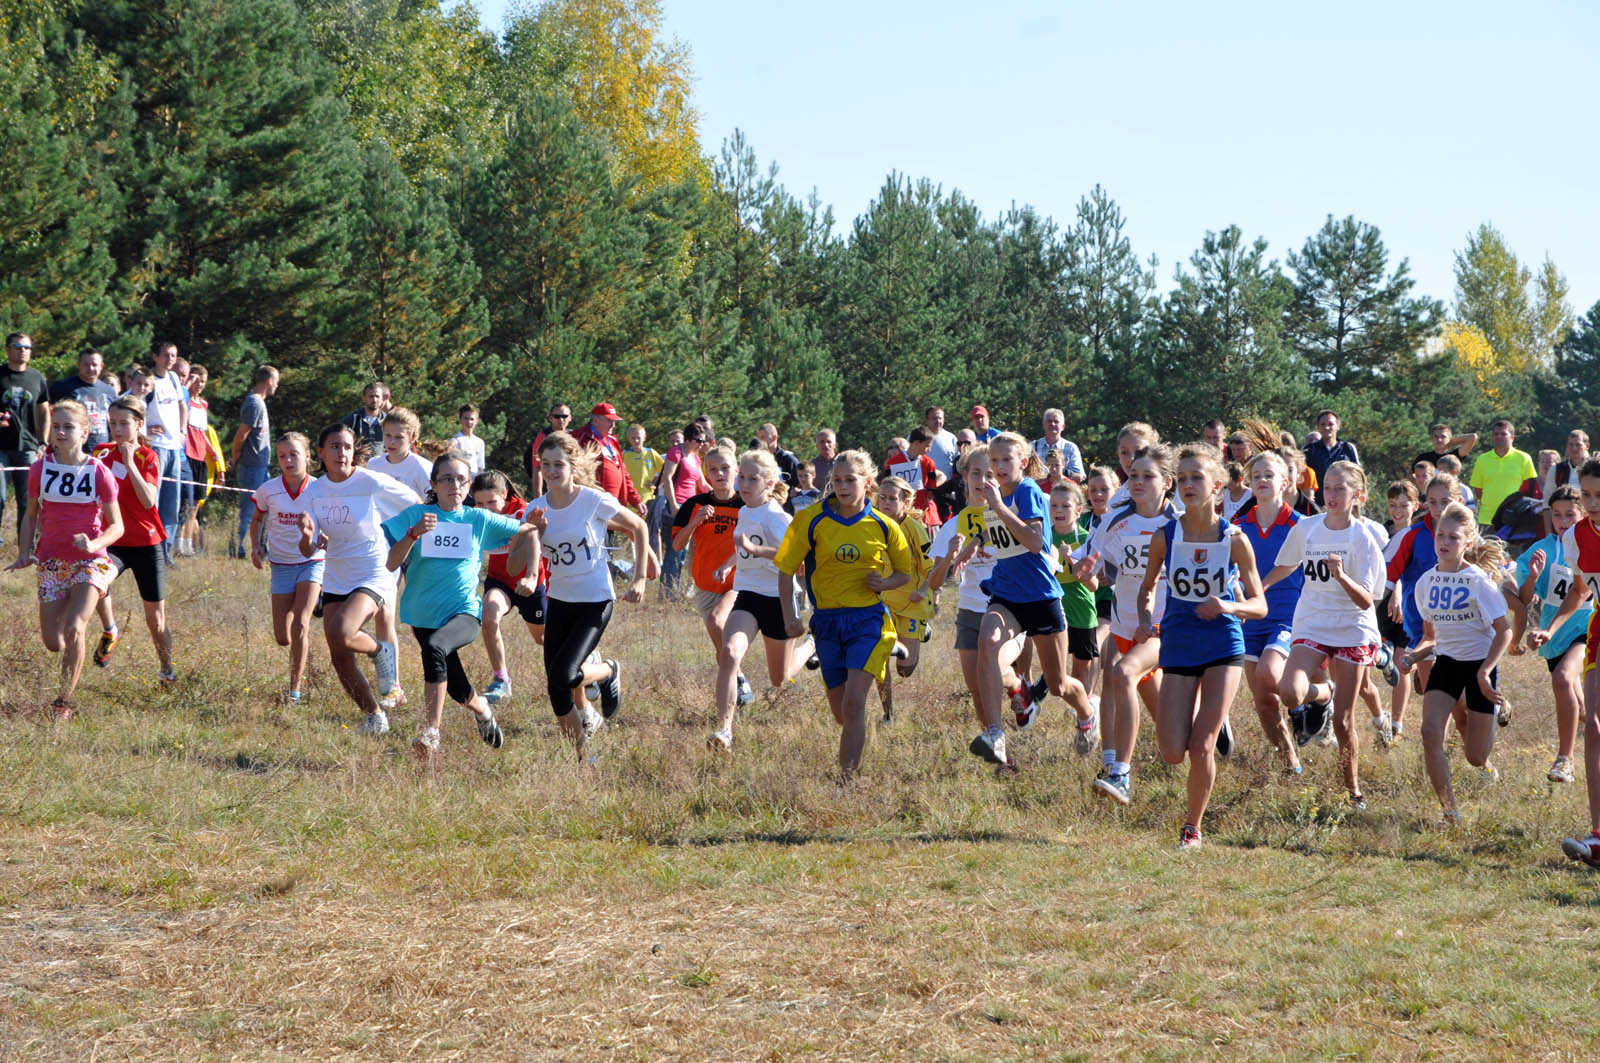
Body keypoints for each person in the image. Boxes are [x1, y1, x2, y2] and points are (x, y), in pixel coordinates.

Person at [1138, 443, 1267, 849]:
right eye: (1183, 478)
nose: (1188, 485)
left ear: (1217, 485)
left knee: (1201, 746)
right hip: (1178, 642)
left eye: (1197, 477)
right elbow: (1147, 588)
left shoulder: (1234, 539)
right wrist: (1144, 619)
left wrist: (1228, 605)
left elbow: (1260, 605)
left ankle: (1192, 827)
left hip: (1222, 642)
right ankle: (1212, 715)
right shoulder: (1166, 535)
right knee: (1172, 751)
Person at [382, 451, 536, 758]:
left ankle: (431, 732)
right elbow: (391, 563)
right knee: (455, 685)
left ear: (469, 485)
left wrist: (531, 573)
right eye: (447, 479)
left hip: (464, 612)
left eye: (461, 479)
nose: (455, 485)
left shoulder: (478, 518)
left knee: (435, 649)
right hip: (423, 613)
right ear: (434, 484)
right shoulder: (416, 516)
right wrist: (413, 534)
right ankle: (482, 709)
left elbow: (528, 529)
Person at [774, 449, 914, 780]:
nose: (842, 486)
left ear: (868, 483)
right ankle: (858, 735)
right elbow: (785, 570)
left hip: (867, 620)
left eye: (850, 480)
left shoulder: (884, 526)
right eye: (837, 480)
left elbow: (904, 573)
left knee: (853, 704)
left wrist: (884, 582)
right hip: (826, 623)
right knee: (842, 713)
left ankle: (845, 782)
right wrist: (790, 617)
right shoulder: (811, 520)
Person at [519, 432, 653, 762]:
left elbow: (639, 527)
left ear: (573, 465)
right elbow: (520, 556)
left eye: (558, 464)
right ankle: (584, 757)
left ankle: (607, 671)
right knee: (555, 686)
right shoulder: (535, 509)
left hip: (595, 600)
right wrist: (532, 534)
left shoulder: (592, 500)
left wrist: (639, 579)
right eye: (546, 464)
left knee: (564, 674)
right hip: (559, 600)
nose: (551, 471)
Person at [1262, 461, 1387, 809]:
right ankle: (1324, 693)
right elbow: (1288, 563)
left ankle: (1353, 790)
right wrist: (1262, 586)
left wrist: (1341, 576)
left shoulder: (1362, 538)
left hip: (1352, 626)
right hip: (1313, 621)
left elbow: (1366, 600)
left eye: (1339, 489)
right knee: (1290, 693)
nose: (1331, 495)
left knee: (1344, 722)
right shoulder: (1307, 528)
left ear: (1357, 495)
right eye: (1327, 488)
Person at [971, 432, 1097, 767]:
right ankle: (995, 735)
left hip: (1041, 597)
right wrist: (980, 540)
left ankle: (1087, 712)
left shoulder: (1027, 490)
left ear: (1023, 462)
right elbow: (1004, 535)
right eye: (993, 461)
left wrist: (999, 507)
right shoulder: (995, 494)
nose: (998, 466)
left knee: (1058, 686)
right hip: (1006, 594)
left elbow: (1034, 540)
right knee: (987, 643)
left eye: (1005, 460)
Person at [297, 424, 422, 735]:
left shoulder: (369, 481)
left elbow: (414, 503)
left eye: (347, 447)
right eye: (335, 446)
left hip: (374, 570)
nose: (342, 453)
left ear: (354, 452)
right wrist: (308, 537)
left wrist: (402, 536)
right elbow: (307, 549)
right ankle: (375, 716)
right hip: (336, 575)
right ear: (321, 452)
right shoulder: (313, 491)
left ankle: (380, 652)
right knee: (339, 654)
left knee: (342, 631)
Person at [3, 400, 122, 716]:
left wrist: (94, 543)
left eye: (68, 426)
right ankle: (89, 600)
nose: (60, 432)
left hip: (90, 560)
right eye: (56, 426)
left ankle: (63, 703)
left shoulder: (99, 472)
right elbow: (31, 515)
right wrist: (25, 552)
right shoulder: (40, 469)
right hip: (52, 561)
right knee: (54, 642)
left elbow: (117, 526)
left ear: (85, 432)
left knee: (74, 628)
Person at [1076, 444, 1178, 803]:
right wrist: (1086, 570)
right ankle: (1198, 734)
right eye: (1133, 475)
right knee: (1172, 736)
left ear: (1167, 482)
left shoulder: (1180, 523)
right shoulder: (1115, 520)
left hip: (1165, 624)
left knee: (1121, 674)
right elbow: (1093, 564)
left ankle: (1120, 774)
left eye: (1148, 476)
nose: (1138, 482)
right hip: (1125, 625)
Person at [1400, 502, 1511, 825]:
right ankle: (1450, 813)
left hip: (1480, 666)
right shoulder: (1425, 583)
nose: (1445, 542)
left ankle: (1500, 706)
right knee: (1429, 732)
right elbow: (1430, 637)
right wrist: (1414, 656)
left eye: (1453, 537)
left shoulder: (1478, 582)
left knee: (1475, 757)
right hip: (1447, 663)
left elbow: (1504, 631)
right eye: (1441, 535)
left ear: (1468, 543)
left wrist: (1485, 672)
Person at [706, 449, 814, 752]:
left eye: (752, 479)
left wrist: (755, 551)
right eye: (742, 476)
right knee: (729, 653)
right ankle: (724, 731)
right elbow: (743, 546)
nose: (744, 483)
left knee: (780, 678)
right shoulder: (744, 512)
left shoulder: (778, 517)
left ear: (769, 483)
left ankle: (811, 645)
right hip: (748, 595)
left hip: (778, 599)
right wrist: (730, 563)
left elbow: (795, 560)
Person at [1526, 457, 1600, 868]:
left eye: (1599, 495)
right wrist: (1551, 629)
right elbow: (1580, 591)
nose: (1592, 503)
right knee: (1595, 725)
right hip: (1597, 631)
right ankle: (1598, 836)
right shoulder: (1576, 537)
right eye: (1586, 494)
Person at [90, 397, 173, 682]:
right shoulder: (101, 452)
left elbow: (148, 500)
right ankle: (110, 629)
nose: (117, 429)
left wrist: (129, 461)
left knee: (155, 620)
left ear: (139, 424)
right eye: (112, 423)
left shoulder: (149, 457)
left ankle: (167, 671)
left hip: (147, 544)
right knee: (96, 582)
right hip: (113, 541)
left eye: (123, 423)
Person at [1236, 451, 1308, 775]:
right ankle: (1290, 762)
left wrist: (1260, 586)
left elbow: (1303, 564)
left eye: (1269, 475)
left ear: (1285, 482)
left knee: (1269, 673)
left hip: (1287, 615)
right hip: (1250, 619)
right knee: (1264, 702)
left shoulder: (1300, 524)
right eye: (1256, 476)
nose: (1262, 480)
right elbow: (1229, 570)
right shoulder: (1239, 526)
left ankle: (1318, 694)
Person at [1515, 483, 1589, 785]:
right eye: (1557, 515)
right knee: (1583, 710)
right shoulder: (1542, 549)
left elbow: (1581, 593)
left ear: (1583, 514)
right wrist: (1532, 578)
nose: (1563, 521)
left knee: (1562, 678)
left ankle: (1564, 760)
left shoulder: (1590, 543)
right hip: (1554, 633)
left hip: (1587, 625)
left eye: (1570, 514)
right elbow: (1524, 597)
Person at [248, 432, 324, 704]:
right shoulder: (268, 489)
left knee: (301, 625)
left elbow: (331, 520)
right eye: (282, 456)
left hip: (312, 561)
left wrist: (324, 537)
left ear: (307, 456)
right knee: (283, 637)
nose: (288, 460)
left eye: (294, 454)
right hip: (281, 564)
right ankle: (310, 610)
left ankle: (295, 692)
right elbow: (257, 519)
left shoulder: (320, 488)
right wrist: (256, 546)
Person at [672, 445, 750, 702]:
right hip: (706, 586)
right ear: (706, 474)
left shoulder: (747, 504)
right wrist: (696, 521)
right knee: (722, 647)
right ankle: (738, 688)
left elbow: (754, 543)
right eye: (713, 469)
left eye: (725, 468)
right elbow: (677, 545)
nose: (720, 474)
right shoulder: (694, 504)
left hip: (738, 582)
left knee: (716, 623)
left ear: (736, 470)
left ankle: (738, 680)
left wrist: (729, 565)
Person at [471, 469, 544, 705]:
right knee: (489, 616)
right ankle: (501, 680)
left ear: (504, 494)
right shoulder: (475, 515)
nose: (486, 509)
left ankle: (588, 660)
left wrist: (531, 577)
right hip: (500, 581)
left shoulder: (523, 511)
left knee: (544, 640)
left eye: (492, 502)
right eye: (480, 503)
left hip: (530, 584)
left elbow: (533, 537)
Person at [871, 476, 932, 725]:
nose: (885, 503)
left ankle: (922, 630)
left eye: (892, 499)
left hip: (911, 602)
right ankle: (888, 714)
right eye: (882, 498)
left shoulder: (914, 529)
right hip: (881, 603)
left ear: (905, 503)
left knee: (905, 669)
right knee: (879, 656)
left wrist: (924, 591)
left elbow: (933, 567)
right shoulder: (872, 524)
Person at [1, 332, 51, 546]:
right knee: (0, 497)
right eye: (18, 346)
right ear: (7, 349)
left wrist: (44, 442)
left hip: (28, 446)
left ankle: (27, 545)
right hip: (0, 446)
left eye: (27, 347)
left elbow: (45, 411)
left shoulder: (37, 378)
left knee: (28, 499)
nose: (23, 350)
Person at [144, 342, 189, 562]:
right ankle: (150, 549)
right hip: (157, 447)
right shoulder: (148, 380)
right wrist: (144, 430)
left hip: (174, 447)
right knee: (154, 501)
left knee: (173, 503)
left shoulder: (173, 378)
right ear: (155, 357)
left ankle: (166, 552)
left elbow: (182, 405)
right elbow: (131, 404)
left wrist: (182, 431)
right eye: (165, 355)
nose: (170, 359)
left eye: (173, 355)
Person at [231, 364, 279, 559]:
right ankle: (237, 549)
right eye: (276, 381)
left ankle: (261, 547)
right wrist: (235, 455)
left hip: (260, 466)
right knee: (250, 510)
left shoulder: (258, 402)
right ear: (269, 381)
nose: (277, 385)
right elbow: (242, 434)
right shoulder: (254, 403)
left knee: (264, 509)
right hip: (251, 467)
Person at [657, 423, 709, 594]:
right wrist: (673, 505)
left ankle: (672, 592)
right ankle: (667, 593)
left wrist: (722, 496)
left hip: (690, 508)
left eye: (703, 441)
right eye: (699, 440)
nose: (702, 444)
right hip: (676, 506)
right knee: (674, 551)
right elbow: (667, 478)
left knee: (682, 554)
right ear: (688, 439)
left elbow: (702, 484)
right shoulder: (676, 452)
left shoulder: (695, 457)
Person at [177, 363, 223, 557]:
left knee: (196, 503)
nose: (199, 384)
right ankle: (179, 543)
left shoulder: (203, 404)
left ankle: (188, 544)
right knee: (185, 502)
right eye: (196, 380)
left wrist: (211, 451)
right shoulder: (184, 400)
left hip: (201, 456)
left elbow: (201, 431)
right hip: (187, 454)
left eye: (203, 381)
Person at [573, 402, 644, 514]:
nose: (613, 425)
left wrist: (635, 500)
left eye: (614, 422)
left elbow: (623, 472)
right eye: (609, 421)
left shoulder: (612, 440)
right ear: (595, 421)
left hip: (613, 505)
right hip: (591, 507)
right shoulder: (580, 438)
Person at [1470, 419, 1537, 534]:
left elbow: (1531, 488)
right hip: (1487, 519)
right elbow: (1478, 489)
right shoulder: (1482, 459)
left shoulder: (1524, 458)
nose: (1499, 437)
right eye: (1496, 434)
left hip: (1515, 518)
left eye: (1503, 434)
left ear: (1512, 437)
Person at [47, 349, 116, 454]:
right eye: (86, 365)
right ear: (78, 365)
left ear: (101, 366)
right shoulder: (62, 387)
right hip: (70, 450)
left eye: (94, 365)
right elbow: (48, 415)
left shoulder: (109, 391)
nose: (90, 368)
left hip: (102, 450)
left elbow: (114, 420)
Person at [621, 423, 663, 571]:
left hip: (648, 498)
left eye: (638, 438)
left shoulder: (650, 453)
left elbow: (665, 469)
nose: (636, 441)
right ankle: (636, 564)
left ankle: (657, 561)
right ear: (629, 439)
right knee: (633, 531)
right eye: (633, 438)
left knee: (653, 530)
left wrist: (656, 482)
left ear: (644, 437)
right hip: (631, 500)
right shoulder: (625, 455)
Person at [884, 428, 945, 527]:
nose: (929, 450)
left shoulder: (929, 463)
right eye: (927, 446)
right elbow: (886, 486)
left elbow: (931, 490)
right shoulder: (892, 463)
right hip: (900, 513)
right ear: (916, 443)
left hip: (923, 513)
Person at [373, 406, 432, 499]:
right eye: (388, 435)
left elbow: (433, 503)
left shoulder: (423, 467)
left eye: (398, 437)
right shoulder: (374, 464)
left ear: (412, 438)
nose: (392, 441)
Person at [1303, 410, 1360, 505]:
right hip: (1318, 505)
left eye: (1330, 424)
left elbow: (1358, 476)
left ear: (1338, 426)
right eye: (1323, 424)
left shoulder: (1348, 448)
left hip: (1345, 504)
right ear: (1318, 427)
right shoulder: (1310, 450)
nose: (1326, 427)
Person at [526, 402, 573, 494]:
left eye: (564, 416)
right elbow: (537, 468)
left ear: (570, 418)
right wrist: (538, 496)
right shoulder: (542, 437)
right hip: (549, 488)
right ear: (551, 418)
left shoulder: (573, 436)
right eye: (557, 416)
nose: (561, 419)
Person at [1032, 407, 1085, 482]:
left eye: (1056, 421)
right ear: (1043, 425)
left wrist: (1061, 472)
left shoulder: (1071, 448)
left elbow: (1079, 477)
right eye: (1049, 421)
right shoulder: (1033, 446)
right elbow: (1025, 474)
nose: (1052, 424)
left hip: (1063, 488)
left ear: (1063, 427)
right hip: (1038, 489)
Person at [340, 381, 389, 454]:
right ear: (364, 398)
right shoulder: (353, 419)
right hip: (358, 460)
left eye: (377, 396)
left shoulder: (387, 420)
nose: (374, 400)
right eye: (371, 396)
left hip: (381, 461)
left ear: (382, 398)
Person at [1413, 422, 1478, 470]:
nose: (1439, 439)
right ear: (1432, 438)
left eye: (1443, 436)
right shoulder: (1423, 457)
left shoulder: (1455, 455)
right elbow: (1412, 475)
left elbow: (1473, 437)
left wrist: (1451, 441)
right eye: (1436, 437)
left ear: (1450, 438)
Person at [921, 406, 960, 482]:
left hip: (947, 485)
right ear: (927, 420)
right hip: (924, 485)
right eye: (934, 418)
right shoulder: (917, 437)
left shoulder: (951, 438)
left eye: (940, 418)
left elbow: (957, 462)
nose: (938, 421)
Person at [449, 404, 486, 475]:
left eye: (472, 419)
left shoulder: (480, 442)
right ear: (460, 420)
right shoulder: (454, 441)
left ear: (476, 421)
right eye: (466, 418)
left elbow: (480, 467)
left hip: (475, 480)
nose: (469, 422)